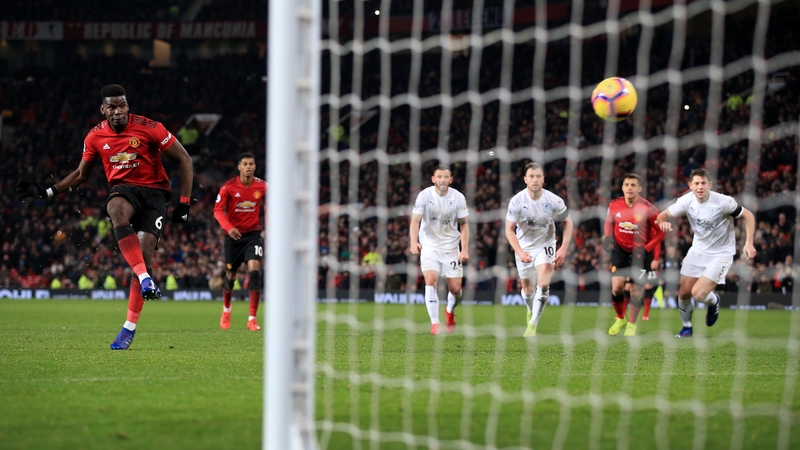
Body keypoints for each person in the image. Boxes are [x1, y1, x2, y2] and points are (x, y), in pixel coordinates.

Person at [16, 84, 193, 350]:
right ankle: (146, 279)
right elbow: (81, 174)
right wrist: (48, 191)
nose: (118, 111)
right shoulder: (95, 137)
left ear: (127, 106)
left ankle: (129, 327)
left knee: (143, 257)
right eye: (112, 106)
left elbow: (185, 159)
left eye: (122, 105)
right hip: (125, 189)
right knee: (115, 208)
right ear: (103, 109)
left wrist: (185, 203)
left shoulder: (150, 127)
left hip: (156, 193)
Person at [656, 168, 756, 337]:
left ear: (710, 184)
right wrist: (663, 222)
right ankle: (687, 327)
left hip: (721, 254)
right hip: (697, 251)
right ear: (690, 185)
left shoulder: (724, 202)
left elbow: (749, 216)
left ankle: (714, 300)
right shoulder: (686, 200)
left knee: (699, 293)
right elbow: (662, 215)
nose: (700, 187)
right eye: (696, 183)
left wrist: (749, 243)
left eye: (703, 183)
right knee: (684, 292)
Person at [505, 162, 574, 336]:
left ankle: (533, 324)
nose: (535, 179)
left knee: (543, 284)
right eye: (531, 176)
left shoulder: (554, 200)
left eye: (538, 176)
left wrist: (563, 248)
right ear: (525, 179)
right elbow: (509, 229)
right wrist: (520, 252)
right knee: (528, 290)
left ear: (543, 179)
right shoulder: (517, 201)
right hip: (524, 247)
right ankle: (530, 309)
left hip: (546, 244)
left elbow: (568, 222)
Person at [409, 164, 469, 335]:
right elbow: (415, 221)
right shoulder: (424, 196)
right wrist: (414, 242)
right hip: (429, 246)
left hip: (451, 248)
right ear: (433, 179)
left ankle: (449, 311)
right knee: (430, 280)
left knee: (455, 289)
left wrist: (464, 249)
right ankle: (435, 323)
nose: (442, 180)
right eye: (439, 177)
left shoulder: (458, 198)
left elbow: (464, 224)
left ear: (450, 180)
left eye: (446, 177)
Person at [604, 173, 665, 337]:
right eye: (626, 185)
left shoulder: (648, 209)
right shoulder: (614, 205)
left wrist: (648, 248)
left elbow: (660, 232)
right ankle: (620, 318)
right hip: (620, 250)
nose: (629, 188)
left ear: (640, 188)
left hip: (641, 253)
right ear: (622, 187)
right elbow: (609, 222)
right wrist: (608, 237)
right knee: (617, 288)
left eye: (633, 185)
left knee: (636, 292)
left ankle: (632, 323)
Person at [213, 152, 268, 331]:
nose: (249, 167)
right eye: (245, 164)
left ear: (255, 166)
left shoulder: (262, 186)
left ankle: (252, 318)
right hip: (233, 237)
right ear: (239, 167)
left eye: (251, 164)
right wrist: (229, 228)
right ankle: (226, 310)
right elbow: (217, 210)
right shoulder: (229, 187)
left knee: (254, 273)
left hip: (253, 235)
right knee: (230, 276)